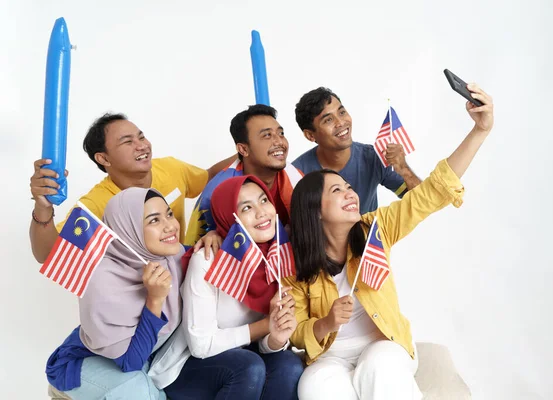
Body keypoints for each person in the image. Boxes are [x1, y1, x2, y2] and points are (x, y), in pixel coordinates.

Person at [285, 84, 494, 400]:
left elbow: (429, 194)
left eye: (348, 187)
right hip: (330, 356)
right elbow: (299, 332)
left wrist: (479, 130)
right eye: (336, 191)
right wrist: (325, 323)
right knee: (314, 384)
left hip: (383, 344)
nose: (351, 192)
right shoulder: (295, 254)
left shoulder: (375, 229)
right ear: (314, 211)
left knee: (379, 364)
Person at [149, 175, 304, 399]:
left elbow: (265, 346)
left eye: (263, 201)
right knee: (248, 366)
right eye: (247, 208)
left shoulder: (278, 254)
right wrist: (264, 325)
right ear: (228, 216)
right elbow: (200, 346)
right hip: (190, 365)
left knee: (288, 364)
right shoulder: (208, 260)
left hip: (246, 357)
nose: (261, 212)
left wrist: (277, 337)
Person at [30, 112, 235, 263]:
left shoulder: (171, 168)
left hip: (179, 273)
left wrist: (248, 152)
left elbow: (209, 178)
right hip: (136, 295)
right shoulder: (96, 204)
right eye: (127, 142)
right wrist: (43, 206)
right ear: (104, 158)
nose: (142, 145)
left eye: (141, 136)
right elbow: (48, 254)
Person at [46, 188, 185, 399]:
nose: (170, 226)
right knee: (142, 392)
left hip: (142, 362)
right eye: (154, 221)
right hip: (81, 366)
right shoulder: (101, 280)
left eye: (169, 214)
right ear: (128, 230)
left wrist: (212, 236)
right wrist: (155, 299)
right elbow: (131, 362)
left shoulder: (172, 258)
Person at [184, 105, 302, 249]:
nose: (279, 142)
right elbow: (194, 248)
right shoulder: (216, 192)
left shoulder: (295, 178)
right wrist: (213, 233)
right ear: (243, 149)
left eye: (281, 133)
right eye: (267, 135)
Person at [292, 87, 421, 214]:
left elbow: (421, 201)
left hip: (369, 234)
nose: (341, 123)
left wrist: (404, 169)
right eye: (328, 120)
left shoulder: (374, 157)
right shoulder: (296, 174)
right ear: (310, 135)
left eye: (342, 112)